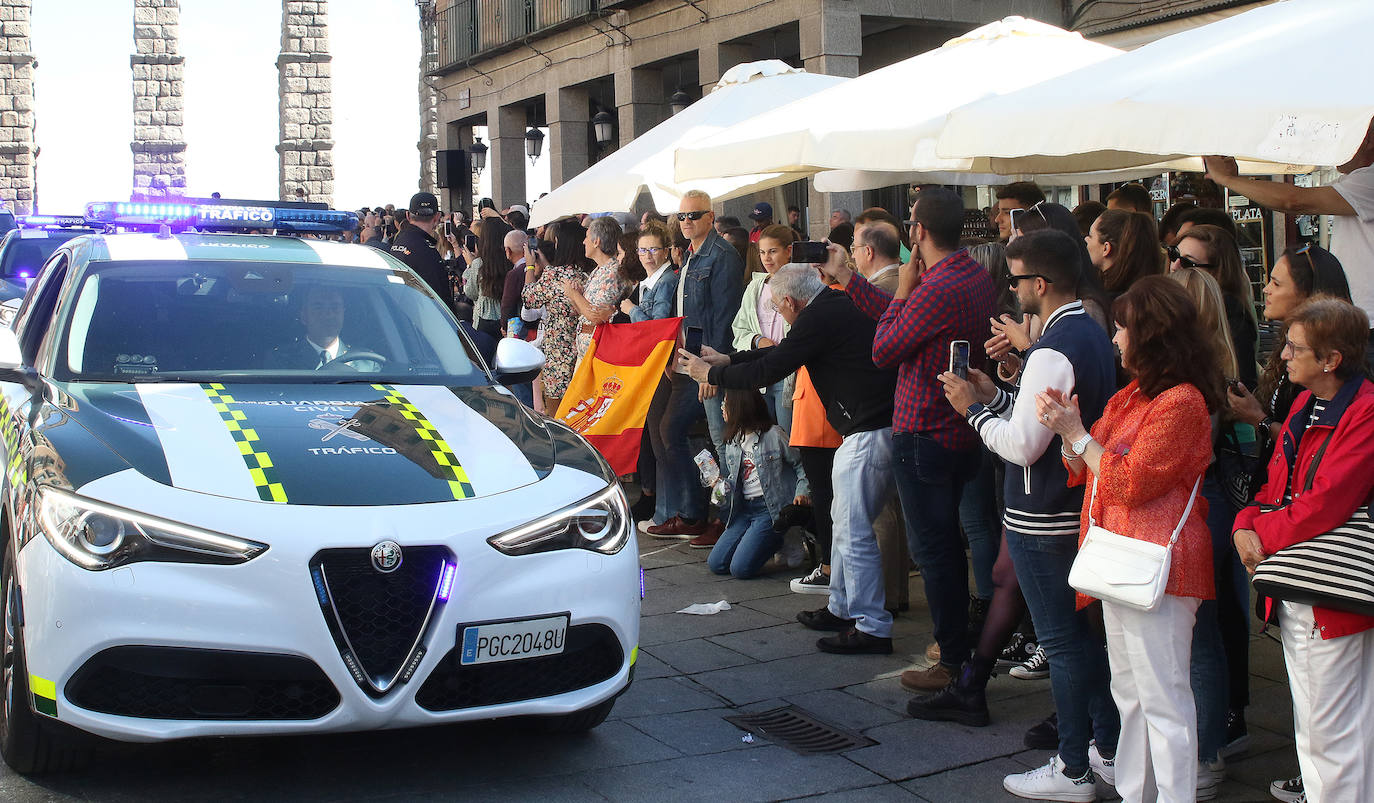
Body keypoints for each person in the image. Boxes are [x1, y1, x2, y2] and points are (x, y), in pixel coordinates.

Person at [928, 229, 1119, 802]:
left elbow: (1020, 447)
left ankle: (1074, 768)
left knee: (1064, 643)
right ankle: (1104, 751)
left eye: (1014, 282)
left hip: (1044, 514)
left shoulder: (1057, 344)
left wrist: (972, 410)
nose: (1009, 293)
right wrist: (999, 392)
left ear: (1040, 283)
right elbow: (1043, 424)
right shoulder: (1086, 331)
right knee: (1081, 641)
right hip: (1070, 506)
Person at [1037, 275, 1222, 803]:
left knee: (1162, 696)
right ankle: (1138, 794)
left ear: (1150, 334)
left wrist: (1076, 436)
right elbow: (1089, 469)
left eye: (1121, 329)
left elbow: (1131, 480)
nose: (1115, 339)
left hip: (1158, 563)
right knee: (1132, 695)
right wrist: (1068, 430)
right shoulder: (1133, 395)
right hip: (1125, 558)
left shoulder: (1181, 402)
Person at [819, 187, 998, 688]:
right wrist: (850, 279)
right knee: (949, 546)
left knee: (936, 552)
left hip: (927, 432)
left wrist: (901, 289)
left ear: (918, 232)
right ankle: (958, 649)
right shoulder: (969, 274)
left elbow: (884, 347)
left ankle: (951, 661)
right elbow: (903, 320)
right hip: (959, 428)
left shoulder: (935, 287)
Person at [679, 264, 897, 654]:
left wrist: (710, 375)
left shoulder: (819, 316)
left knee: (854, 531)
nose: (779, 315)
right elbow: (781, 354)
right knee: (845, 528)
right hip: (865, 426)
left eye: (779, 309)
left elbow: (775, 364)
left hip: (868, 430)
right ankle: (843, 607)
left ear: (792, 302)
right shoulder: (827, 307)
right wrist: (727, 360)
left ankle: (871, 626)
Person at [1232, 297, 1374, 803]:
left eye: (1294, 347)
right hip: (1312, 579)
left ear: (1332, 359)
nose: (1283, 355)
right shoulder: (1305, 403)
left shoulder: (1365, 410)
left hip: (1329, 591)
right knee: (1334, 729)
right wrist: (1245, 525)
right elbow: (1276, 490)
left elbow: (1326, 503)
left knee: (1326, 735)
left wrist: (1257, 534)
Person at [1208, 116, 1374, 345]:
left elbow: (1294, 201)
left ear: (1369, 140)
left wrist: (1227, 179)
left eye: (1345, 136)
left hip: (1366, 321)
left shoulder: (1369, 179)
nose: (1336, 146)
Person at [643, 190, 745, 540]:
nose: (686, 221)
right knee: (672, 430)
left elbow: (724, 317)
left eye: (693, 215)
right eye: (682, 216)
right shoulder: (690, 255)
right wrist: (677, 353)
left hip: (708, 362)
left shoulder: (722, 255)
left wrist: (709, 370)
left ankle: (723, 516)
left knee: (720, 438)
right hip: (688, 360)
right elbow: (684, 316)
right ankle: (696, 512)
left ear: (710, 217)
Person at [706, 388, 809, 579]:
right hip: (744, 510)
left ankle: (781, 538)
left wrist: (801, 492)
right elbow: (734, 481)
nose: (722, 408)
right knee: (717, 563)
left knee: (740, 569)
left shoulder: (774, 435)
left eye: (725, 404)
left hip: (769, 510)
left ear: (739, 409)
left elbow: (801, 464)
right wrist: (719, 487)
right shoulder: (734, 440)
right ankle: (760, 541)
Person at [1170, 223, 1258, 387]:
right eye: (1173, 255)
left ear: (1218, 272)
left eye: (1187, 263)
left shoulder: (1232, 314)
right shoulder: (1171, 310)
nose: (1175, 266)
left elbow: (1243, 384)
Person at [521, 218, 591, 412]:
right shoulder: (588, 274)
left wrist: (530, 267)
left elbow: (529, 298)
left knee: (558, 416)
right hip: (583, 355)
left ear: (561, 243)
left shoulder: (555, 276)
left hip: (558, 356)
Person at [731, 223, 797, 430]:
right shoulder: (755, 287)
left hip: (789, 376)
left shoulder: (801, 283)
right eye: (762, 252)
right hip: (760, 373)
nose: (766, 258)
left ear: (789, 251)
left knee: (789, 442)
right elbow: (739, 328)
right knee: (765, 439)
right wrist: (757, 340)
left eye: (772, 251)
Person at [267, 286, 379, 371]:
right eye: (318, 307)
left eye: (335, 307)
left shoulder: (367, 362)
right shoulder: (281, 360)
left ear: (343, 313)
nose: (328, 315)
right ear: (304, 316)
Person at [564, 216, 626, 361]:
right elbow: (583, 312)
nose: (584, 241)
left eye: (586, 237)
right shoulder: (599, 270)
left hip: (598, 351)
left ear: (596, 241)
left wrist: (574, 295)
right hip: (588, 350)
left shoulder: (612, 273)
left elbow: (596, 316)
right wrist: (576, 296)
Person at [390, 192, 452, 308]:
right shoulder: (428, 253)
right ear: (437, 217)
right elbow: (439, 301)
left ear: (408, 216)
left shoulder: (397, 243)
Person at [1086, 209, 1165, 299]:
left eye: (1091, 236)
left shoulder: (1104, 304)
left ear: (1106, 248)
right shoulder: (1157, 295)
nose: (1086, 239)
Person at [464, 216, 514, 337]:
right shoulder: (511, 261)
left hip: (483, 318)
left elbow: (471, 293)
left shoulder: (478, 263)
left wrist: (470, 265)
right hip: (508, 319)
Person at [621, 221, 678, 323]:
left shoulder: (665, 282)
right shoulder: (653, 280)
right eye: (643, 250)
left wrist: (632, 310)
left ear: (665, 252)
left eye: (653, 250)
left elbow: (657, 326)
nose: (648, 256)